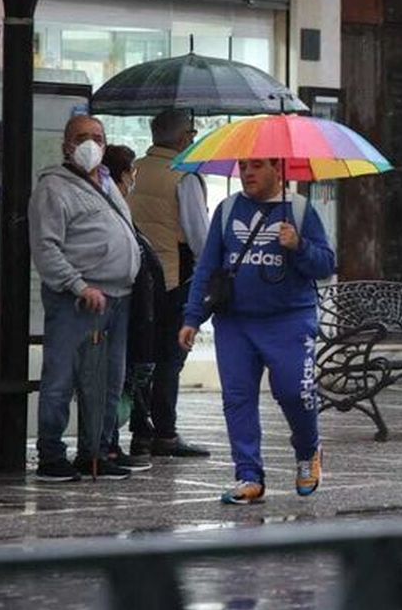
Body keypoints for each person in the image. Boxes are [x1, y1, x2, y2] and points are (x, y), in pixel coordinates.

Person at [180, 158, 336, 505]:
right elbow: (207, 268)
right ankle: (248, 475)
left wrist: (299, 246)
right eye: (243, 166)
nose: (247, 173)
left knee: (295, 392)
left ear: (278, 170)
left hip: (289, 320)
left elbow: (326, 265)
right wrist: (192, 317)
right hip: (235, 323)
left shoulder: (300, 210)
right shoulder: (227, 210)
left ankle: (308, 450)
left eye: (257, 166)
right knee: (238, 399)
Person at [29, 114, 142, 481]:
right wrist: (79, 286)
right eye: (81, 137)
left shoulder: (108, 183)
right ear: (67, 144)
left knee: (109, 380)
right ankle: (51, 454)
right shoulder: (53, 187)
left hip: (118, 298)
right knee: (61, 377)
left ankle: (96, 451)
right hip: (77, 299)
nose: (90, 144)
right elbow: (46, 248)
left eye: (97, 137)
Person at [129, 110, 211, 458]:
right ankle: (165, 432)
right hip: (174, 277)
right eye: (191, 132)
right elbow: (199, 236)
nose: (193, 138)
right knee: (169, 358)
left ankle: (140, 430)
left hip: (136, 276)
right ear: (181, 138)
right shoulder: (184, 176)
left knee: (141, 355)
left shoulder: (135, 169)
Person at [102, 144, 162, 472]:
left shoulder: (121, 208)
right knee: (116, 378)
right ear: (124, 175)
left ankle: (111, 442)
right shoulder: (111, 206)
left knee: (123, 377)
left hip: (134, 308)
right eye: (132, 173)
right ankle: (106, 444)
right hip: (120, 306)